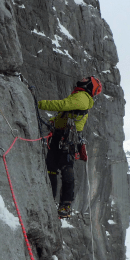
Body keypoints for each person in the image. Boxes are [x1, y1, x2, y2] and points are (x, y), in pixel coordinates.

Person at [38, 76, 102, 218]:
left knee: (62, 168)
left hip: (66, 138)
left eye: (86, 80)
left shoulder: (82, 97)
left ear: (89, 86)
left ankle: (63, 203)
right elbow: (64, 114)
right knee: (54, 169)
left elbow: (62, 105)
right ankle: (58, 202)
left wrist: (39, 104)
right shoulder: (80, 96)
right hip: (62, 136)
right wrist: (53, 122)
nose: (82, 80)